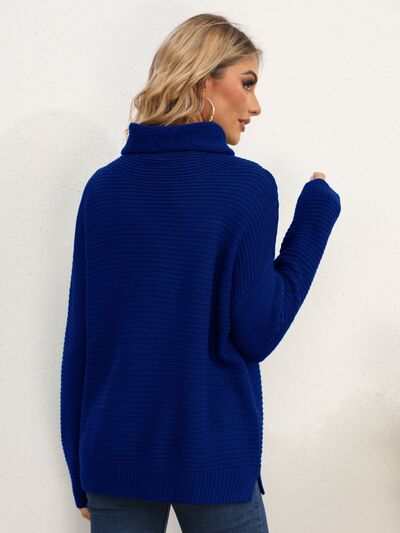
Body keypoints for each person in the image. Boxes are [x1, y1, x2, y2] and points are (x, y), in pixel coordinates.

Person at [60, 13, 341, 533]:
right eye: (247, 83)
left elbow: (82, 339)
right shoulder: (247, 187)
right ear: (202, 81)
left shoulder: (103, 188)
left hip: (111, 457)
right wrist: (316, 218)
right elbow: (258, 332)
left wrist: (81, 472)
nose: (255, 106)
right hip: (213, 458)